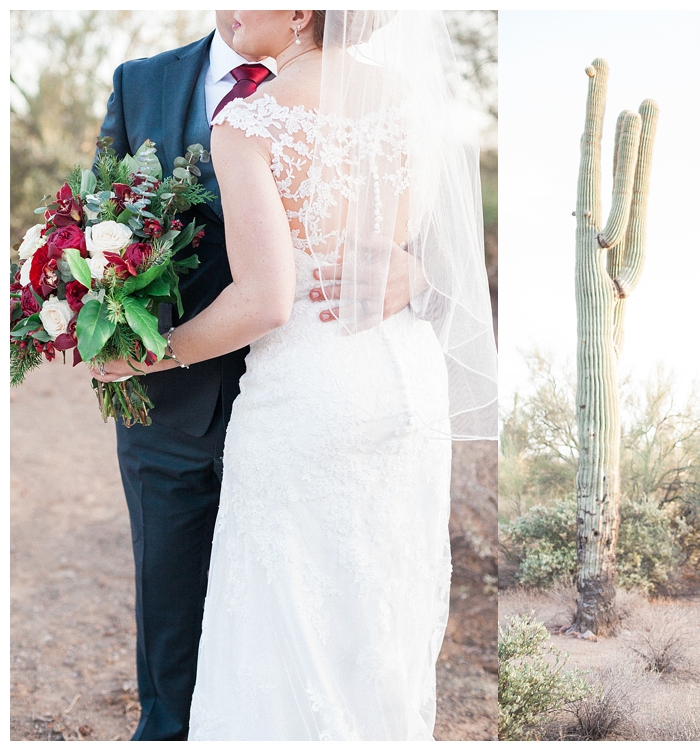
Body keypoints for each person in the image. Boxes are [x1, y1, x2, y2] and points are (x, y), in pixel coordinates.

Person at [93, 10, 498, 740]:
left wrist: (143, 354)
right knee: (375, 616)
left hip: (303, 396)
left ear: (305, 9)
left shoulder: (247, 120)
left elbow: (266, 300)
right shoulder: (409, 100)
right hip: (400, 387)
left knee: (282, 624)